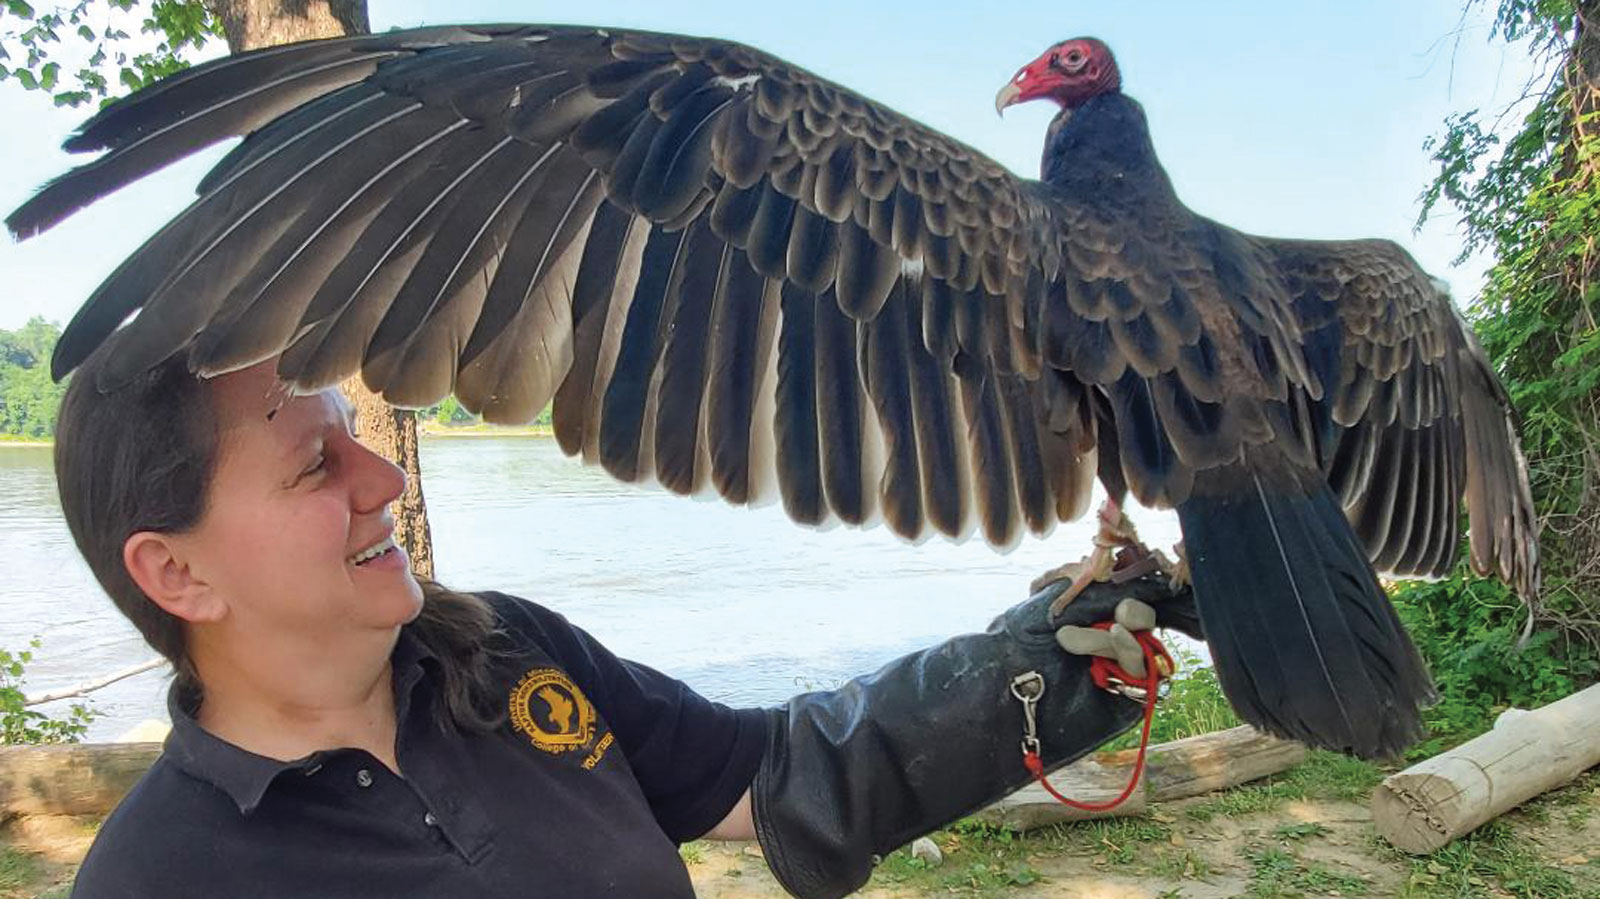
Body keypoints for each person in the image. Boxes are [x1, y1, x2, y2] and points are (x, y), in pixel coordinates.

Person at [54, 346, 1201, 899]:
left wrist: (1051, 660)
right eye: (316, 463)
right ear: (177, 572)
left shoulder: (501, 652)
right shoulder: (157, 877)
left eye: (355, 433)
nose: (381, 479)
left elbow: (783, 772)